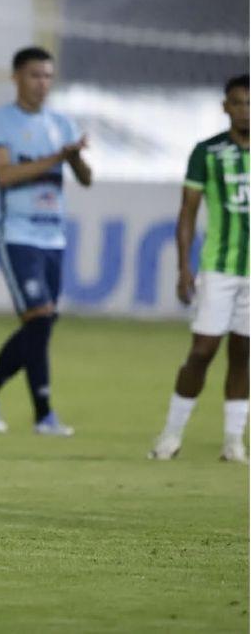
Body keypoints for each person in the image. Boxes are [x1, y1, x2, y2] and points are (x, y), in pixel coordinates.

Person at [0, 46, 91, 436]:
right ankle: (44, 415)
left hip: (54, 236)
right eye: (35, 75)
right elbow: (4, 175)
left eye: (48, 76)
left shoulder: (62, 123)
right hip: (17, 234)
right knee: (39, 317)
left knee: (42, 324)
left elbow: (86, 179)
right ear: (16, 77)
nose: (42, 83)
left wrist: (75, 158)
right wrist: (57, 157)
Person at [149, 74, 249, 463]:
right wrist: (183, 268)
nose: (245, 111)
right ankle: (171, 435)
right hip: (219, 269)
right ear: (225, 107)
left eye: (250, 103)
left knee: (243, 354)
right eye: (238, 103)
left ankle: (233, 442)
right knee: (203, 350)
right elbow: (187, 212)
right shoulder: (207, 152)